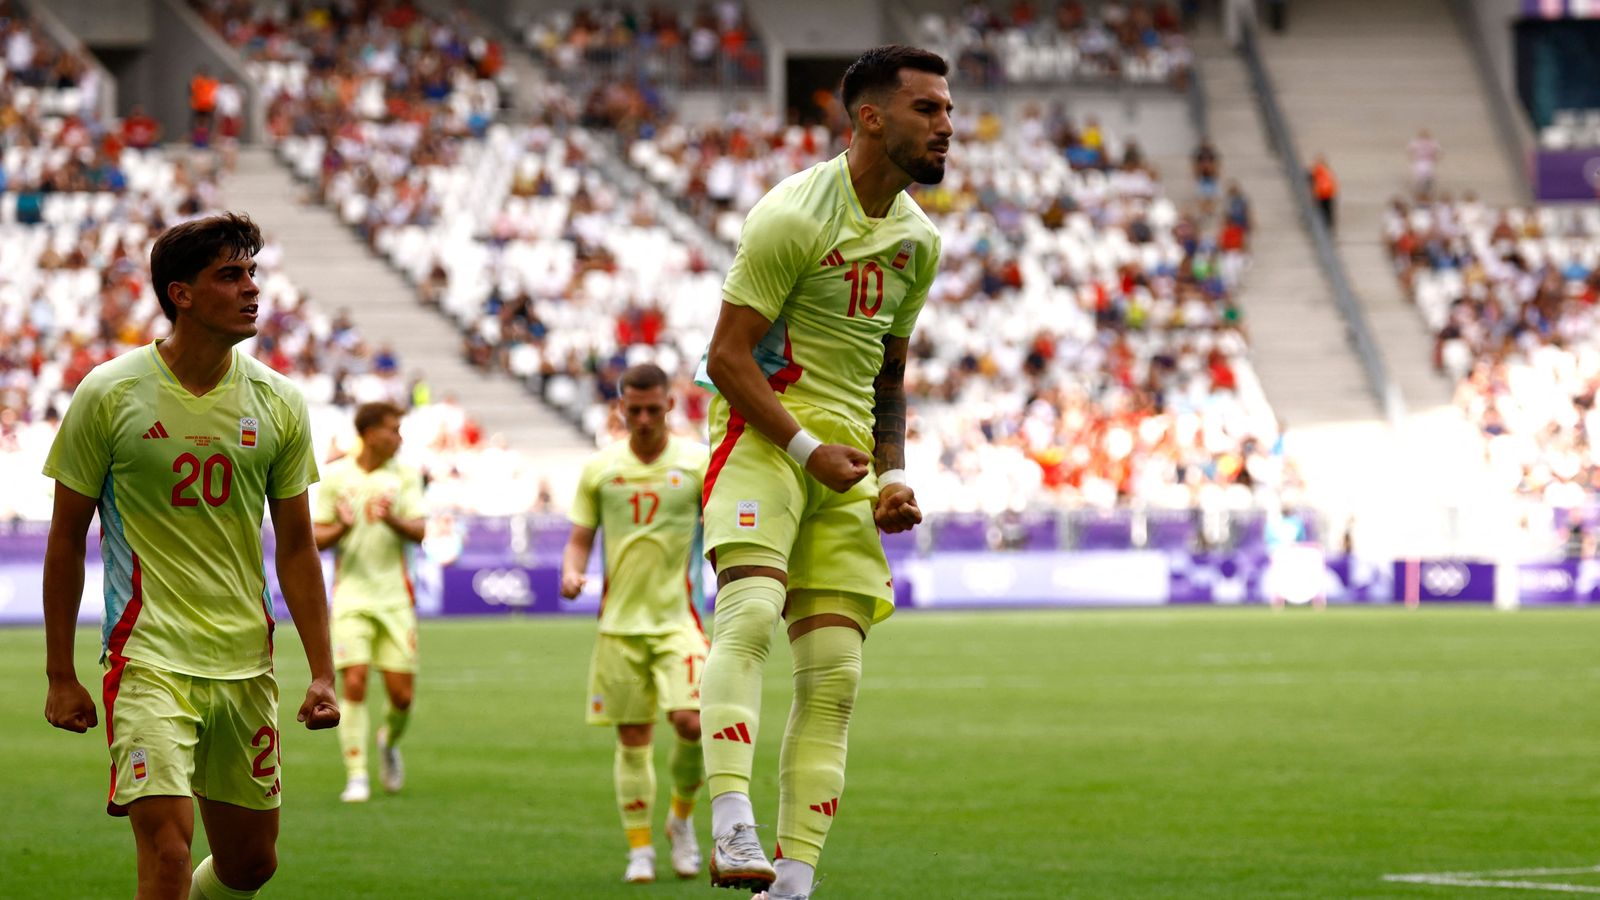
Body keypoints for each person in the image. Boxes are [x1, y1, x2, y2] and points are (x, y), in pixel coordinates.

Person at [694, 44, 948, 899]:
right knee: (753, 611)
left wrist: (894, 475)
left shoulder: (920, 241)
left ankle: (793, 882)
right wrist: (807, 451)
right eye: (928, 110)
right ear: (870, 118)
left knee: (835, 675)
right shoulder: (792, 215)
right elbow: (728, 358)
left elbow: (889, 376)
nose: (947, 126)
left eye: (947, 110)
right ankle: (731, 823)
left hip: (845, 470)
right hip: (765, 441)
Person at [42, 212, 339, 900]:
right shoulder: (109, 393)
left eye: (252, 274)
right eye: (229, 275)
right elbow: (66, 539)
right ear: (180, 293)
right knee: (169, 854)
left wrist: (322, 670)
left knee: (250, 865)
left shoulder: (279, 402)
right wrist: (60, 673)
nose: (251, 289)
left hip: (243, 662)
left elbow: (296, 546)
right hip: (147, 659)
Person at [560, 362, 711, 884]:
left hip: (679, 620)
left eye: (653, 408)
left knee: (693, 724)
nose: (644, 418)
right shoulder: (601, 468)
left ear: (671, 404)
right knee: (633, 739)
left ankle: (682, 821)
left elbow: (714, 532)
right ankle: (641, 848)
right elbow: (581, 537)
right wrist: (572, 572)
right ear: (620, 406)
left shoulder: (696, 463)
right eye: (634, 408)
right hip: (619, 626)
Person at [312, 401, 426, 803]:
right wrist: (342, 526)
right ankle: (357, 775)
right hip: (351, 597)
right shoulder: (335, 476)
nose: (399, 437)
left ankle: (388, 742)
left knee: (402, 697)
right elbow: (315, 538)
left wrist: (392, 518)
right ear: (370, 432)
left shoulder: (406, 476)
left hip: (395, 599)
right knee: (354, 682)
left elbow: (420, 530)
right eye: (393, 429)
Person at [1308, 154, 1338, 233]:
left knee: (1324, 211)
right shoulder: (1325, 170)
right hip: (1325, 193)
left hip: (1323, 194)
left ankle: (1325, 225)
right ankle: (1327, 225)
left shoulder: (1319, 170)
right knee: (1327, 211)